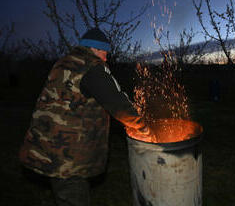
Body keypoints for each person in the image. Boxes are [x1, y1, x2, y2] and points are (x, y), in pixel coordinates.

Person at [19, 28, 153, 206]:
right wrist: (144, 127)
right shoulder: (92, 67)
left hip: (45, 147)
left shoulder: (63, 63)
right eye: (104, 52)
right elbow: (118, 103)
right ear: (94, 49)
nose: (105, 58)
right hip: (67, 157)